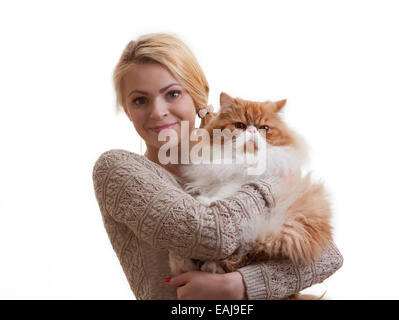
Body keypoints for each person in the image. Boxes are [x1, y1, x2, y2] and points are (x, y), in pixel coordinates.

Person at [92, 32, 343, 300]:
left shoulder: (240, 161)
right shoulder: (118, 170)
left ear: (198, 97)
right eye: (140, 100)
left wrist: (240, 285)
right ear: (127, 109)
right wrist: (275, 182)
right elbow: (211, 235)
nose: (157, 111)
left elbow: (328, 257)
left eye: (173, 94)